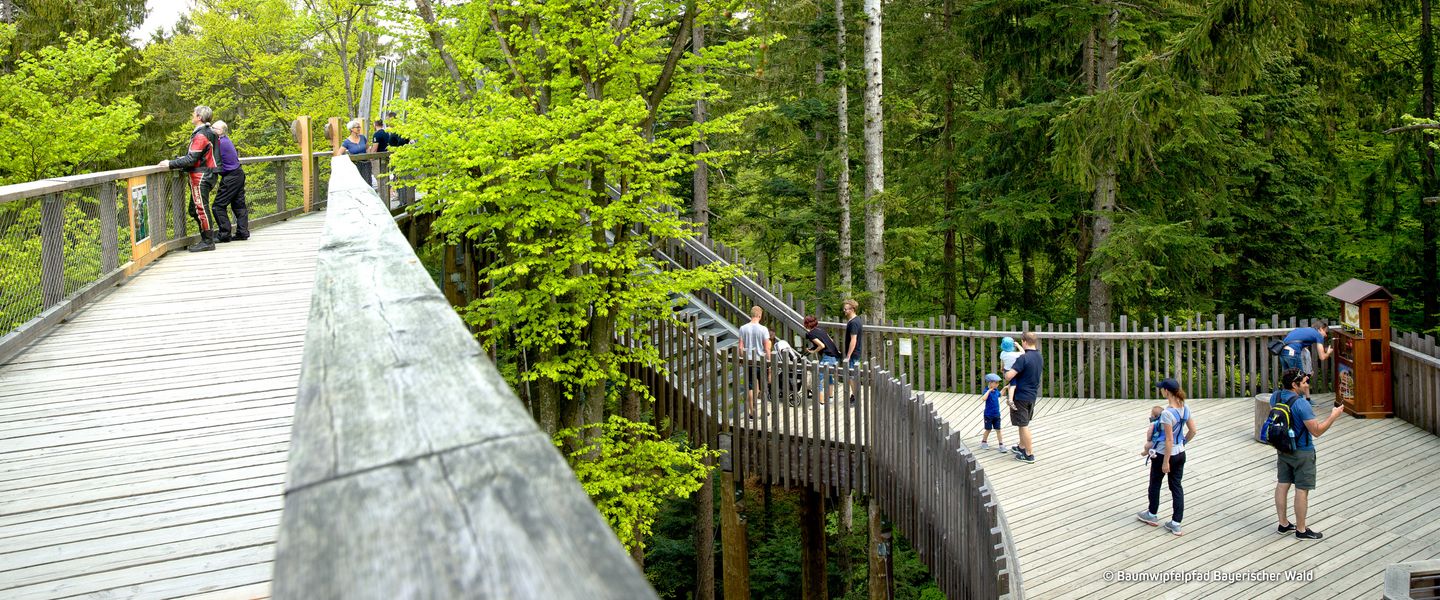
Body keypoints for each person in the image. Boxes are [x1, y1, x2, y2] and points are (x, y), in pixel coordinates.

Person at [1271, 368, 1345, 540]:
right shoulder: (1301, 404)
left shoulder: (1276, 396)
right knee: (1302, 489)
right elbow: (1316, 431)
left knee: (1282, 484)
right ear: (1294, 384)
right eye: (1303, 382)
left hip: (1283, 448)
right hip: (1302, 451)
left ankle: (1283, 524)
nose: (1306, 385)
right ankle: (1301, 530)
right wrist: (1333, 416)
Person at [1137, 378, 1198, 536]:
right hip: (1180, 453)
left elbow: (1168, 439)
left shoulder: (1166, 414)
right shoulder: (1185, 408)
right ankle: (1176, 523)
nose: (1160, 391)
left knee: (1155, 483)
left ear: (1166, 391)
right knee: (1176, 487)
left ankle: (1152, 514)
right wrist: (1183, 442)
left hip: (1164, 454)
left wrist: (1165, 462)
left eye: (1161, 389)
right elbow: (1193, 431)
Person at [160, 105, 220, 252]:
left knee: (201, 209)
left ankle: (208, 241)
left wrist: (170, 164)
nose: (192, 115)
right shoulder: (209, 132)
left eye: (194, 113)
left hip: (201, 176)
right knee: (194, 209)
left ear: (199, 117)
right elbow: (198, 156)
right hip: (207, 173)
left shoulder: (201, 135)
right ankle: (206, 238)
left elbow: (192, 159)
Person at [1004, 331, 1043, 464]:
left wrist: (1005, 373)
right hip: (1032, 395)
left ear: (1024, 342)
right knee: (1022, 423)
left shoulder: (1023, 358)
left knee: (1024, 424)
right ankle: (1021, 447)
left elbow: (1009, 376)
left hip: (1020, 395)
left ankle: (1029, 454)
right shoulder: (1039, 356)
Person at [210, 121, 249, 242]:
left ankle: (224, 234)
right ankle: (242, 232)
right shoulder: (225, 140)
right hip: (238, 173)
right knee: (239, 205)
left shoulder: (220, 143)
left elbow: (207, 157)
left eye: (213, 127)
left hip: (231, 176)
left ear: (220, 131)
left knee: (218, 206)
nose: (211, 129)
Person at [737, 306, 772, 419]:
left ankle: (752, 413)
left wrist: (743, 359)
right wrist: (769, 362)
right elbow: (767, 348)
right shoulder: (763, 329)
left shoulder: (743, 328)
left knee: (750, 387)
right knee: (763, 386)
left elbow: (740, 347)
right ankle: (763, 411)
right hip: (760, 361)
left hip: (749, 362)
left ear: (751, 315)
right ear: (759, 316)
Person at [803, 315, 841, 405]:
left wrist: (813, 352)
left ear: (806, 324)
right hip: (835, 355)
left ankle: (821, 403)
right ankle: (830, 398)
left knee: (817, 378)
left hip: (828, 356)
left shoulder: (811, 334)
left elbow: (822, 346)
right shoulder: (821, 330)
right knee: (829, 376)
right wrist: (812, 349)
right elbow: (829, 340)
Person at [842, 299, 863, 405]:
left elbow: (853, 340)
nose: (844, 311)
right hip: (855, 353)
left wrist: (848, 355)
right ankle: (855, 395)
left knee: (851, 376)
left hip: (853, 354)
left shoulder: (854, 322)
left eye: (846, 309)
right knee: (852, 376)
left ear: (852, 309)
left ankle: (856, 397)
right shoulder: (855, 320)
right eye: (844, 309)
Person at [978, 373, 1006, 452]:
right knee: (988, 429)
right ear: (990, 383)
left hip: (996, 414)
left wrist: (1005, 388)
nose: (997, 384)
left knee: (998, 429)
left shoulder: (996, 390)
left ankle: (1001, 444)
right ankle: (984, 442)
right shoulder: (986, 391)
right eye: (996, 382)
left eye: (998, 383)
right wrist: (989, 391)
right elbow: (983, 398)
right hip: (988, 415)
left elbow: (1000, 395)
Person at [340, 119, 372, 184]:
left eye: (359, 127)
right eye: (357, 127)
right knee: (357, 183)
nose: (359, 128)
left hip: (366, 164)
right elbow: (339, 153)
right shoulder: (347, 142)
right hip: (355, 166)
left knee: (368, 183)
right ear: (351, 129)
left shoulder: (363, 138)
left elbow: (367, 148)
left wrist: (369, 157)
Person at [999, 336, 1024, 409]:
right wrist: (1018, 345)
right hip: (1013, 371)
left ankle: (1007, 389)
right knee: (1013, 386)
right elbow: (1023, 352)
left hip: (1006, 370)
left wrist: (1002, 368)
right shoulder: (1015, 354)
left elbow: (1002, 362)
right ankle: (1010, 400)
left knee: (1013, 384)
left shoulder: (1002, 353)